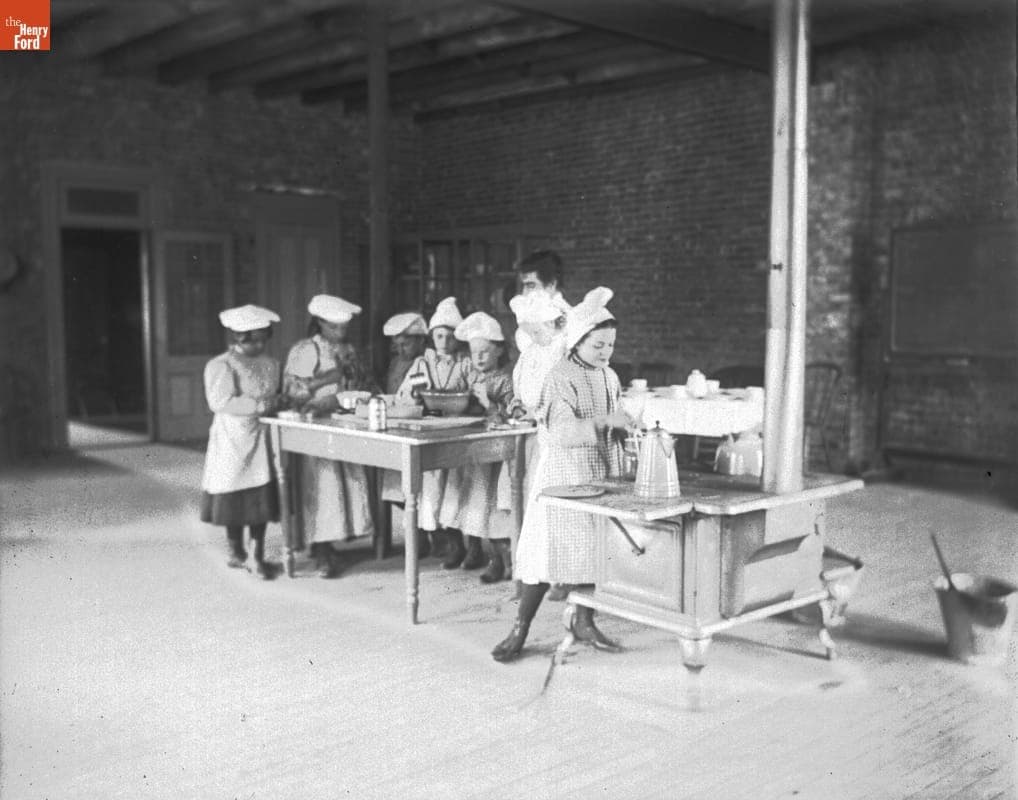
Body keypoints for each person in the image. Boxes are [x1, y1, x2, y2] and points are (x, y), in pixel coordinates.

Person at [491, 287, 633, 662]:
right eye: (598, 345)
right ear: (577, 340)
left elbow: (613, 416)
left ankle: (584, 621)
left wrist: (624, 429)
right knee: (544, 552)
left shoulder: (609, 376)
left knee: (593, 550)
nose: (605, 353)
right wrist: (605, 421)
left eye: (610, 346)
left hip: (599, 471)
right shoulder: (561, 376)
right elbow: (563, 433)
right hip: (563, 475)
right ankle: (520, 628)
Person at [283, 294, 377, 578]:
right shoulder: (305, 349)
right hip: (316, 426)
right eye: (335, 326)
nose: (341, 331)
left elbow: (362, 381)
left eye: (344, 326)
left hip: (346, 421)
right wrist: (329, 382)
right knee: (323, 486)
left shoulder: (349, 349)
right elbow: (294, 391)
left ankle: (336, 541)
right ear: (320, 323)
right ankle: (321, 548)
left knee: (347, 483)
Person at [199, 304, 283, 580]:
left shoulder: (271, 364)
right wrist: (261, 404)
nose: (259, 345)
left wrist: (279, 401)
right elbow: (220, 401)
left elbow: (275, 393)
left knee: (259, 493)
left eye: (263, 339)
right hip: (232, 437)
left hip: (262, 434)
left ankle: (256, 554)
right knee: (233, 494)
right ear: (237, 338)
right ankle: (236, 550)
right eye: (252, 340)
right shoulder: (221, 365)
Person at [388, 298, 471, 562]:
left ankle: (459, 541)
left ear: (457, 339)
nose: (443, 342)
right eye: (438, 335)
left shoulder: (465, 363)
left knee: (457, 487)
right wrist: (414, 396)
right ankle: (440, 538)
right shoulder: (424, 363)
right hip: (431, 431)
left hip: (459, 429)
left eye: (449, 336)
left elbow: (476, 391)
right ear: (431, 337)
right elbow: (407, 395)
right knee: (432, 488)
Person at [440, 311, 516, 583]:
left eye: (485, 352)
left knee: (494, 509)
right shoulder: (470, 377)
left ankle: (501, 561)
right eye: (474, 352)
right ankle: (474, 550)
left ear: (499, 351)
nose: (479, 358)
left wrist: (488, 403)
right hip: (471, 451)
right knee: (474, 505)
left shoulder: (505, 380)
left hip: (494, 454)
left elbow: (512, 417)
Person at [514, 249, 566, 354]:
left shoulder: (570, 322)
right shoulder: (530, 319)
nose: (524, 293)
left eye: (531, 285)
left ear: (551, 284)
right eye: (524, 286)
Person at [384, 312, 428, 395]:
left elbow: (419, 397)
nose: (400, 351)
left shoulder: (422, 364)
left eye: (405, 345)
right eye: (396, 345)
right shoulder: (395, 363)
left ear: (421, 340)